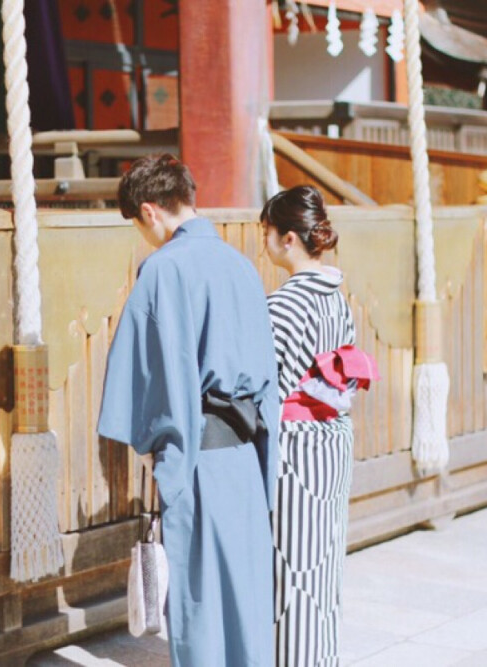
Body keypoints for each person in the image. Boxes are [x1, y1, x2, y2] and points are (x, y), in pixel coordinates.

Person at [97, 154, 280, 667]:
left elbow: (159, 377)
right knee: (244, 595)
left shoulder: (162, 270)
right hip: (244, 455)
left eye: (139, 225)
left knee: (199, 604)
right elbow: (269, 382)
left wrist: (168, 461)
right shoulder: (242, 266)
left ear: (150, 212)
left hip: (198, 457)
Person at [262, 185, 378, 666]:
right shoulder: (336, 297)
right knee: (322, 563)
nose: (263, 242)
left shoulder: (283, 305)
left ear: (289, 239)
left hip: (295, 447)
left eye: (266, 233)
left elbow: (265, 384)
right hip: (331, 439)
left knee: (291, 566)